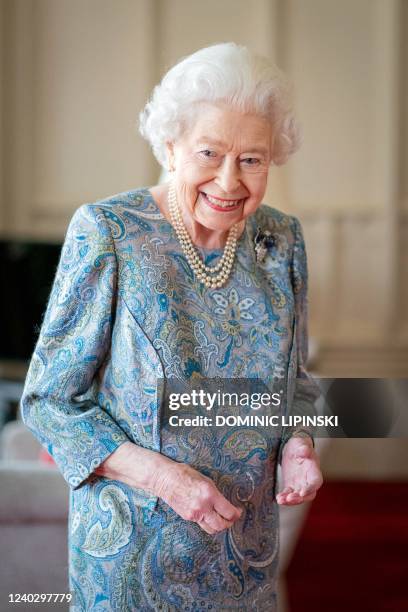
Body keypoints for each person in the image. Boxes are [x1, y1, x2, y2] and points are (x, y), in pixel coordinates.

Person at [21, 42, 323, 611]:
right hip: (131, 557)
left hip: (243, 555)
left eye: (252, 159)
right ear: (170, 145)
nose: (230, 182)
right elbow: (48, 402)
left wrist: (299, 445)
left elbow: (296, 383)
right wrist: (166, 480)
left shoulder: (280, 240)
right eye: (210, 152)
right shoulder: (108, 232)